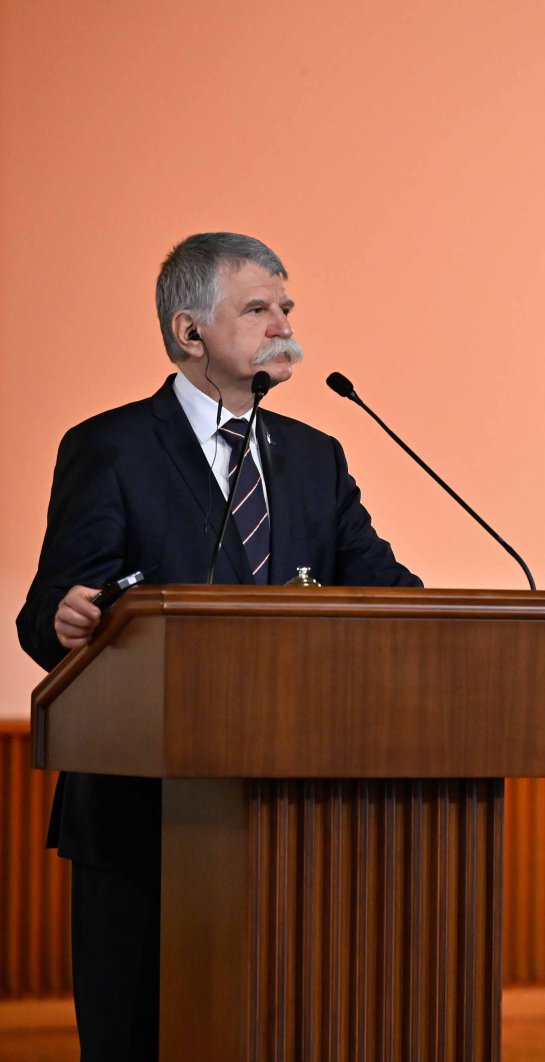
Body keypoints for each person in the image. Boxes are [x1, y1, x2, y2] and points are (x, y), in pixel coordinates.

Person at [16, 232, 421, 1061]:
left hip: (293, 809)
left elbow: (385, 588)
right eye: (257, 309)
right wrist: (65, 622)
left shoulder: (314, 455)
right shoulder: (113, 447)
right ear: (190, 331)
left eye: (286, 308)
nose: (281, 324)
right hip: (143, 813)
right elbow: (44, 618)